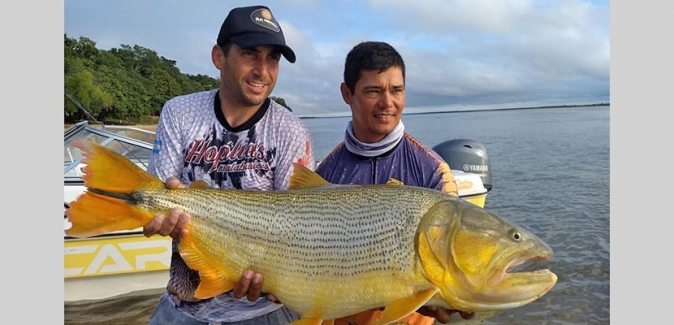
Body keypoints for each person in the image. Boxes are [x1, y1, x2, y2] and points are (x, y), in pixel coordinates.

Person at [142, 5, 315, 325]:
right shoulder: (179, 113)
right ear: (219, 57)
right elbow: (157, 196)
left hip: (264, 311)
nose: (263, 70)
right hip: (183, 305)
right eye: (251, 54)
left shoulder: (291, 131)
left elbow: (301, 228)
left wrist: (286, 282)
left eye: (272, 58)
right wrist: (160, 215)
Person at [314, 41, 475, 325]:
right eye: (374, 91)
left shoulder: (433, 171)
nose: (388, 103)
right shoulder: (326, 172)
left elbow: (449, 261)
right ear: (347, 93)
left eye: (396, 90)